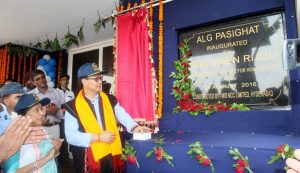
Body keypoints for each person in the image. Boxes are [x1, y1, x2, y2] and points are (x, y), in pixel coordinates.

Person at [64, 63, 149, 173]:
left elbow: (122, 114)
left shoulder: (110, 99)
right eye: (96, 79)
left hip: (111, 153)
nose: (100, 81)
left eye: (100, 78)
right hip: (89, 156)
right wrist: (98, 137)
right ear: (84, 81)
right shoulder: (72, 107)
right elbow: (71, 137)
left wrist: (134, 127)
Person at [3, 94, 63, 173]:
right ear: (24, 115)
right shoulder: (16, 138)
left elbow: (51, 157)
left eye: (42, 108)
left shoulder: (42, 131)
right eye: (37, 110)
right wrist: (47, 158)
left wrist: (56, 149)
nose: (42, 113)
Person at [28, 70, 65, 138]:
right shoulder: (29, 95)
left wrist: (56, 111)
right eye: (38, 79)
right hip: (37, 129)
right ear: (33, 82)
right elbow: (28, 115)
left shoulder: (57, 92)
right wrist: (45, 111)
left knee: (56, 148)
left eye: (43, 77)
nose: (41, 80)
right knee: (39, 149)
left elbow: (64, 112)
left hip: (55, 128)